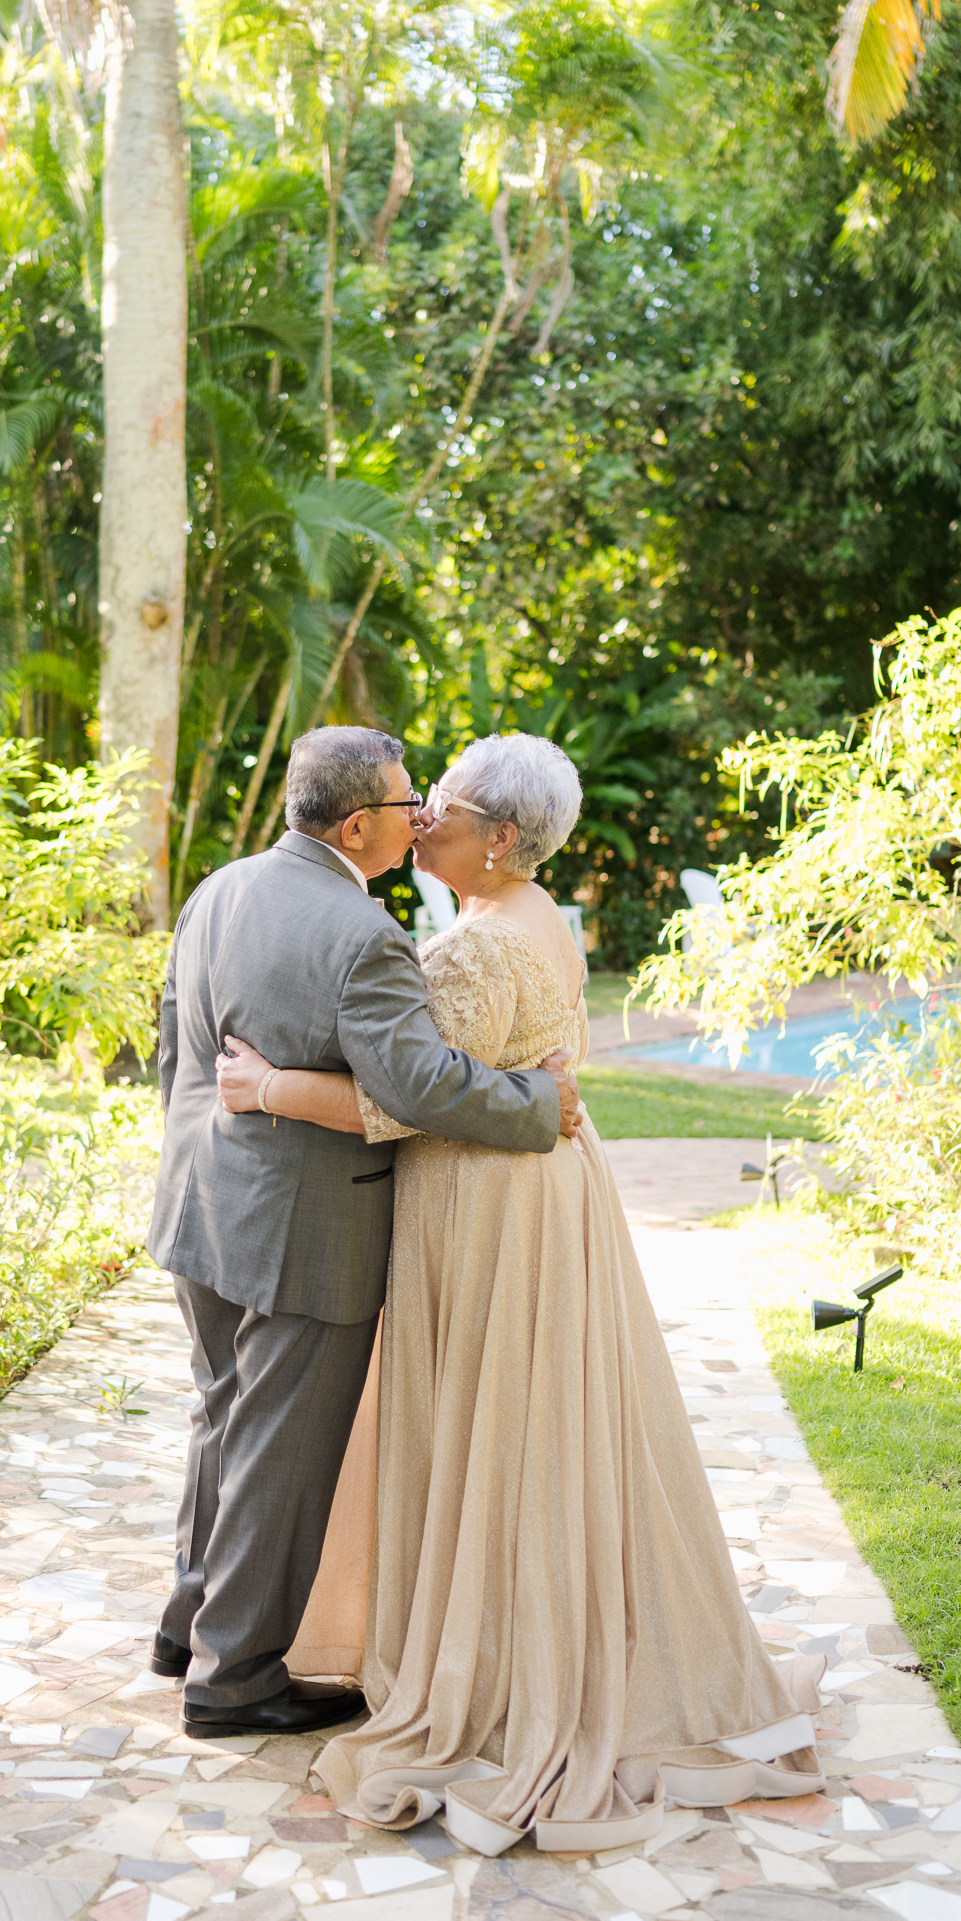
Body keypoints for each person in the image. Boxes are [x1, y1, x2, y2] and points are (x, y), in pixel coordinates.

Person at [215, 732, 824, 1849]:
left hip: (487, 1203)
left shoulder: (475, 951)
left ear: (499, 838)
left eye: (438, 801)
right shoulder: (524, 918)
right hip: (548, 1193)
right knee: (538, 1431)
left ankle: (495, 1672)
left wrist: (268, 1086)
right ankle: (520, 1633)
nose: (419, 815)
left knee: (497, 1432)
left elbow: (408, 1100)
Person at [144, 725, 582, 1740]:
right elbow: (419, 1084)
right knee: (278, 1450)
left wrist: (206, 1147)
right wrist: (534, 1104)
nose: (419, 812)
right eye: (403, 801)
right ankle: (234, 1677)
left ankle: (187, 1623)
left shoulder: (221, 888)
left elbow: (175, 1047)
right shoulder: (362, 935)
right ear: (357, 824)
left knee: (221, 1417)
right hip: (306, 1227)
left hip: (200, 1200)